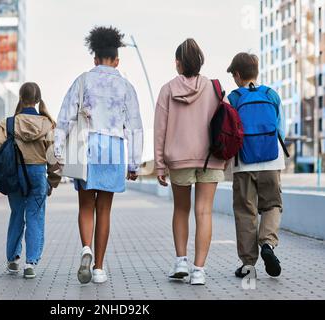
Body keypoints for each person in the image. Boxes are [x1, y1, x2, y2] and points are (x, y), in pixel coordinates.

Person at [54, 26, 143, 284]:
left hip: (86, 146)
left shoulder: (82, 80)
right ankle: (100, 269)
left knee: (85, 205)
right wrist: (134, 163)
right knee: (104, 209)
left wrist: (58, 151)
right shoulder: (126, 86)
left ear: (94, 59)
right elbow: (134, 126)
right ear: (117, 60)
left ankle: (86, 249)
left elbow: (65, 118)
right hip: (114, 149)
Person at [154, 39, 227, 285]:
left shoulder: (167, 89)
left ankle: (181, 262)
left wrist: (159, 164)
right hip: (210, 158)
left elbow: (160, 130)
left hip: (179, 159)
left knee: (181, 210)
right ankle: (199, 271)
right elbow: (225, 124)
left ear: (177, 63)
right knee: (204, 211)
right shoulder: (215, 88)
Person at [227, 53, 286, 278]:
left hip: (243, 163)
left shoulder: (232, 98)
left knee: (245, 211)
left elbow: (228, 132)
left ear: (238, 74)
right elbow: (280, 130)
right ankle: (268, 244)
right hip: (272, 160)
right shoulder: (272, 95)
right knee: (272, 204)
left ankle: (248, 264)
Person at [0, 82, 61, 279]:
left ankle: (12, 260)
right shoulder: (48, 125)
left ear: (21, 99)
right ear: (38, 100)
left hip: (15, 173)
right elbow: (54, 157)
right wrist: (53, 180)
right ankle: (30, 263)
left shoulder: (8, 123)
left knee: (17, 214)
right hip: (38, 174)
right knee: (35, 216)